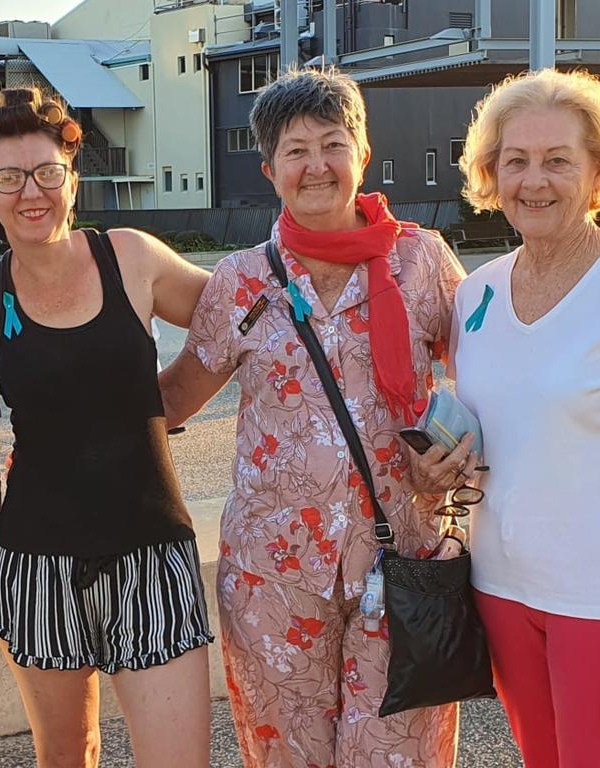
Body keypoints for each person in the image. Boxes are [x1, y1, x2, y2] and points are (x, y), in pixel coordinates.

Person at [160, 67, 465, 768]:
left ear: (362, 152)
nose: (316, 166)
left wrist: (458, 452)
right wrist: (65, 424)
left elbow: (487, 377)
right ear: (270, 169)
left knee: (398, 755)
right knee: (286, 757)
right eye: (296, 150)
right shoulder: (240, 280)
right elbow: (176, 396)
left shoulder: (422, 262)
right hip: (272, 577)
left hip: (404, 559)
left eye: (332, 144)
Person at [0, 89, 213, 768]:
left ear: (73, 179)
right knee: (67, 754)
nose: (30, 192)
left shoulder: (131, 256)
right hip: (36, 558)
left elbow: (239, 315)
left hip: (152, 548)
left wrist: (172, 400)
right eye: (9, 178)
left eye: (46, 172)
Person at [411, 68, 600, 768]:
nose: (534, 180)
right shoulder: (477, 293)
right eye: (515, 161)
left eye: (558, 160)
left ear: (593, 170)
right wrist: (431, 467)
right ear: (491, 172)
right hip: (500, 585)